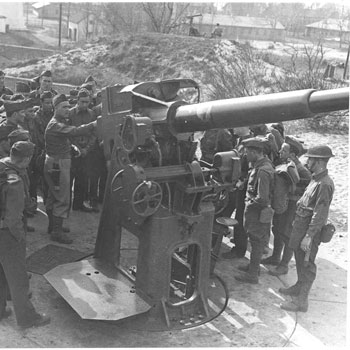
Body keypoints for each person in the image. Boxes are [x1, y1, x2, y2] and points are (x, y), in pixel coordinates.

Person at [0, 141, 50, 328]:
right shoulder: (15, 181)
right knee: (18, 278)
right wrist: (19, 237)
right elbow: (13, 219)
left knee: (1, 272)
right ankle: (27, 318)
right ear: (27, 159)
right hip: (7, 233)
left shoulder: (2, 165)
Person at [280, 145, 334, 312]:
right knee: (299, 260)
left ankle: (301, 302)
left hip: (308, 231)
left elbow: (320, 213)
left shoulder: (324, 183)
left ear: (318, 161)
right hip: (300, 227)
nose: (307, 161)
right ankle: (298, 287)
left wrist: (309, 236)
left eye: (310, 159)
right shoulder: (316, 178)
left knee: (307, 265)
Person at [44, 94, 96, 244]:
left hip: (55, 163)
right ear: (56, 108)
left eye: (68, 106)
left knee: (53, 196)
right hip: (59, 165)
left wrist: (71, 147)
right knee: (62, 198)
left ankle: (53, 226)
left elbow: (64, 137)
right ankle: (57, 231)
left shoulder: (57, 122)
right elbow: (74, 132)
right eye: (64, 107)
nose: (67, 109)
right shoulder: (55, 124)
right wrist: (93, 125)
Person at [263, 136, 311, 275]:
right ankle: (275, 257)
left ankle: (284, 265)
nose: (279, 152)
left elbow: (307, 188)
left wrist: (291, 188)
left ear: (293, 155)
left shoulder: (301, 170)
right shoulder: (285, 163)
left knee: (287, 234)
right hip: (282, 203)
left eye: (283, 151)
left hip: (291, 205)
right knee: (277, 229)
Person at [234, 136, 275, 284]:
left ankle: (252, 275)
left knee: (256, 243)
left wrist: (250, 204)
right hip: (255, 211)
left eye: (247, 152)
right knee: (255, 240)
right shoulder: (260, 165)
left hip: (257, 213)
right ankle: (253, 266)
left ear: (256, 152)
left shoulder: (263, 171)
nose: (245, 155)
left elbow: (262, 198)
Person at [69, 88, 97, 212]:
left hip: (87, 153)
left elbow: (94, 134)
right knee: (68, 180)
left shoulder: (92, 114)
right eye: (82, 102)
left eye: (87, 102)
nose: (84, 104)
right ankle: (66, 205)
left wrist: (87, 149)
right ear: (77, 101)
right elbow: (68, 133)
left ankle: (78, 204)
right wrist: (77, 148)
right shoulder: (69, 114)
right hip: (72, 152)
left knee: (83, 179)